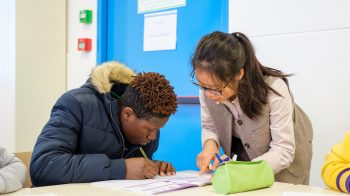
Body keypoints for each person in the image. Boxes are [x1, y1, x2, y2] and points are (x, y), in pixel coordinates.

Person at [191, 31, 313, 184]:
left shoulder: (273, 89)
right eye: (203, 86)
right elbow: (209, 125)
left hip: (285, 159)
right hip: (245, 154)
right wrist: (210, 144)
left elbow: (283, 150)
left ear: (239, 74)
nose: (209, 94)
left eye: (217, 88)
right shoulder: (208, 85)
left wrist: (244, 171)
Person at [30, 61, 178, 186]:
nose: (153, 137)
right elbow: (43, 166)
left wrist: (151, 167)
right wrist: (121, 168)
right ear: (128, 114)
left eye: (157, 130)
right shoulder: (76, 104)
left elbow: (132, 173)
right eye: (149, 130)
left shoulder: (147, 127)